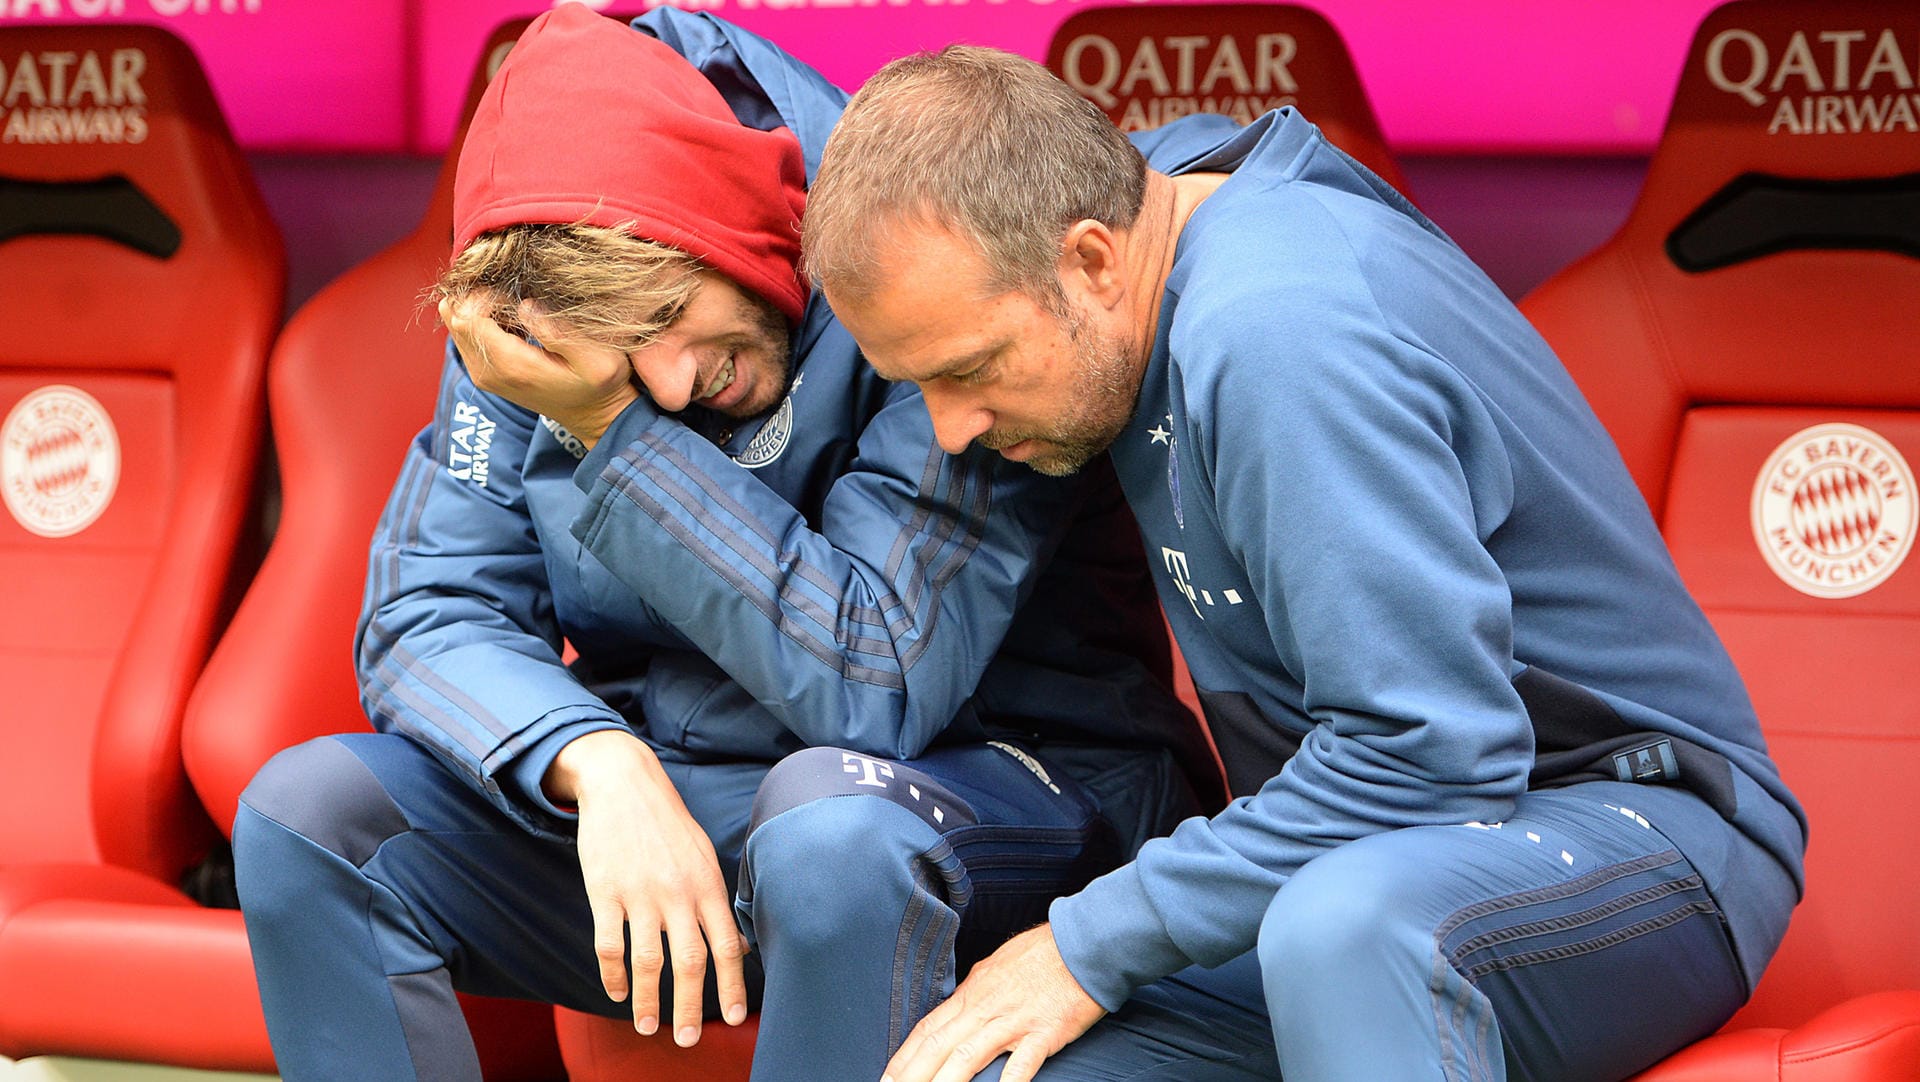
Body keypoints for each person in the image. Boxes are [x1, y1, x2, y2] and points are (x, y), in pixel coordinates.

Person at [231, 10, 1212, 1082]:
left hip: (1001, 792)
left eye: (668, 323)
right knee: (315, 815)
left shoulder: (918, 253)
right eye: (613, 372)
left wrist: (613, 434)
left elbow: (875, 682)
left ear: (723, 224)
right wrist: (591, 761)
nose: (664, 387)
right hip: (701, 804)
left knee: (829, 829)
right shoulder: (541, 315)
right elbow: (426, 612)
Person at [802, 46, 1807, 1082]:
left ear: (1094, 261)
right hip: (1364, 858)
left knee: (1342, 930)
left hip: (1639, 829)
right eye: (915, 383)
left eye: (969, 368)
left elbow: (1429, 754)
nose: (952, 428)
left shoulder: (1277, 326)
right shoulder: (1148, 210)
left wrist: (1084, 941)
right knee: (1002, 1063)